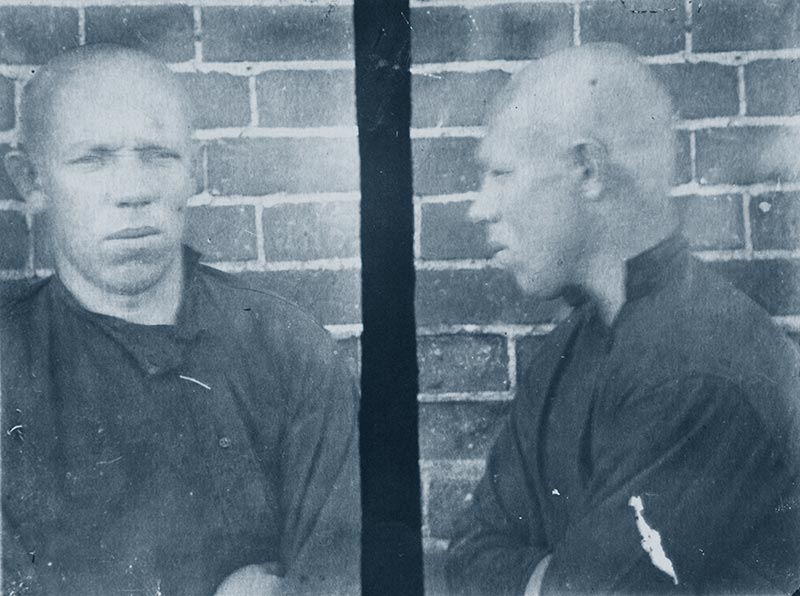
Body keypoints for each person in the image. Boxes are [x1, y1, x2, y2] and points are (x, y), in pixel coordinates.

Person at [0, 44, 360, 596]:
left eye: (158, 155)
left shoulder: (287, 348)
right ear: (31, 180)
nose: (133, 192)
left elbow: (345, 574)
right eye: (92, 158)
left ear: (195, 169)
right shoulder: (8, 360)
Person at [445, 43, 800, 596]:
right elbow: (469, 556)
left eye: (501, 172)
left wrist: (546, 578)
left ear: (588, 170)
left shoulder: (704, 369)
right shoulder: (566, 350)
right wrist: (556, 581)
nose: (480, 208)